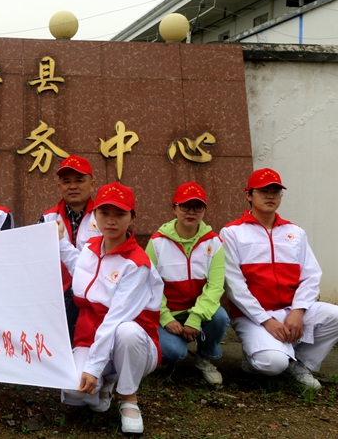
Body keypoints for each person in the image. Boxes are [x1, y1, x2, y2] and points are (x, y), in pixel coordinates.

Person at [222, 168, 338, 390]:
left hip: (290, 310)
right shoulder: (232, 232)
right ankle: (255, 357)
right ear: (249, 195)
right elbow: (234, 285)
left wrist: (298, 310)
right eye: (263, 191)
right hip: (253, 316)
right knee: (272, 364)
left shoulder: (295, 232)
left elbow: (311, 275)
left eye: (275, 191)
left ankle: (299, 362)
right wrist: (266, 320)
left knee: (335, 315)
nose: (270, 196)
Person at [61, 183, 163, 435]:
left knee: (126, 331)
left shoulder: (137, 264)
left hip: (134, 345)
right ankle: (106, 384)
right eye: (104, 213)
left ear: (132, 217)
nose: (111, 221)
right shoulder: (90, 248)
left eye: (120, 214)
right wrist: (59, 240)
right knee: (73, 388)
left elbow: (115, 319)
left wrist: (93, 367)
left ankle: (129, 399)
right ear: (95, 214)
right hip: (90, 338)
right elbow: (78, 266)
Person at [145, 182, 228, 385]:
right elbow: (149, 285)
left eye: (197, 206)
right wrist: (165, 317)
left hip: (197, 313)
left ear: (204, 210)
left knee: (220, 317)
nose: (191, 212)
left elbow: (216, 286)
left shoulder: (214, 242)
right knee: (174, 352)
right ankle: (166, 351)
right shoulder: (157, 242)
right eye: (184, 206)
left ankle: (204, 357)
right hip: (168, 314)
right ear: (174, 208)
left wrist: (195, 318)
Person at [37, 155, 100, 343]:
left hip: (95, 293)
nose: (72, 186)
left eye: (79, 180)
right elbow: (34, 258)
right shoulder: (47, 219)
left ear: (92, 184)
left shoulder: (104, 217)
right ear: (59, 187)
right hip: (56, 295)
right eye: (66, 182)